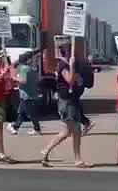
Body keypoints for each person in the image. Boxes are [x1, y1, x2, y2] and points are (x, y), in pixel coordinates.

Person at [39, 39, 91, 168]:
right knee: (76, 131)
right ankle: (78, 160)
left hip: (72, 100)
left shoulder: (70, 64)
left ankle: (45, 151)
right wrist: (72, 68)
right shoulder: (63, 65)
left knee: (68, 132)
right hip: (66, 101)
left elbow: (79, 80)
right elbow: (70, 81)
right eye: (72, 51)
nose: (75, 54)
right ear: (66, 52)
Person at [9, 51, 42, 136]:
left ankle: (17, 127)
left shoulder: (23, 68)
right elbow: (37, 80)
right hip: (31, 94)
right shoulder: (32, 68)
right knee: (23, 112)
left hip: (26, 95)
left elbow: (23, 80)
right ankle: (17, 127)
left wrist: (14, 78)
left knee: (28, 113)